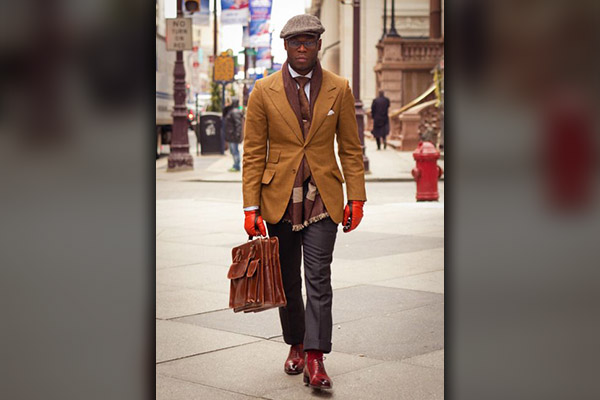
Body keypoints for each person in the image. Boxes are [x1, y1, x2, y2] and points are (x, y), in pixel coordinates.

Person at [242, 14, 366, 390]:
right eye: (295, 42)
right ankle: (295, 343)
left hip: (323, 198)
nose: (302, 47)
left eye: (309, 41)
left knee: (318, 277)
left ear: (318, 46)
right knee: (287, 281)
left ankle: (315, 357)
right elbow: (252, 153)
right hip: (279, 198)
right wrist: (250, 207)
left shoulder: (339, 88)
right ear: (285, 46)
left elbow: (350, 147)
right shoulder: (263, 91)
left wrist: (356, 197)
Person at [224, 98, 243, 172]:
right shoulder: (231, 111)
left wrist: (237, 135)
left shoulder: (235, 112)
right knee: (233, 151)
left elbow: (238, 124)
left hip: (233, 136)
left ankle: (236, 166)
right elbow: (224, 113)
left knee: (235, 151)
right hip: (231, 135)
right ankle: (235, 165)